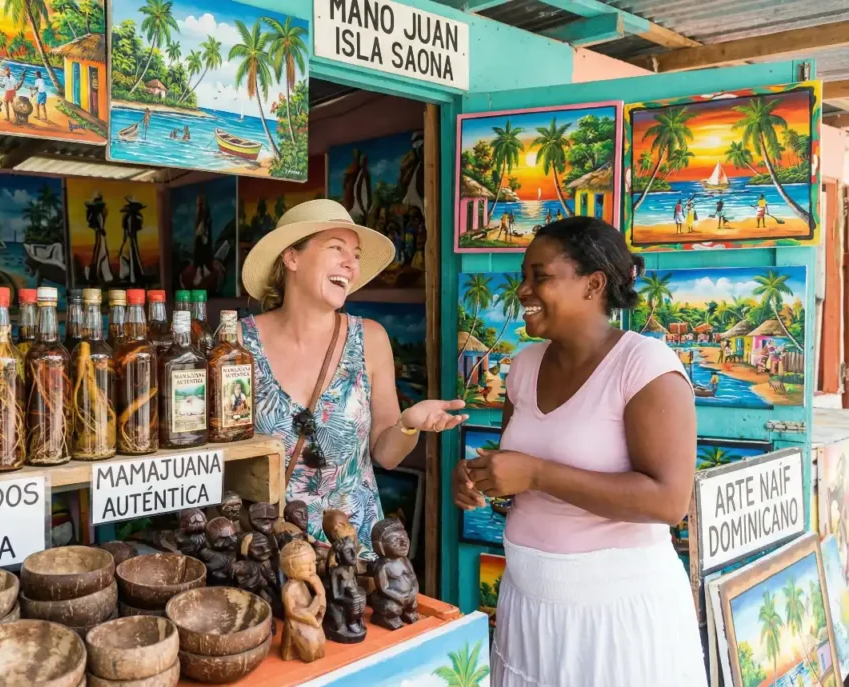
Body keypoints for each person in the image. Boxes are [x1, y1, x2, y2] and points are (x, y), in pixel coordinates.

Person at [453, 216, 706, 686]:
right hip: (528, 605)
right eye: (523, 277)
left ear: (593, 285)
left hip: (614, 618)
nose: (523, 290)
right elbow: (519, 476)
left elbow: (669, 502)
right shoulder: (524, 368)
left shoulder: (644, 366)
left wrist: (535, 474)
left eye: (540, 277)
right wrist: (480, 478)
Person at [240, 199, 466, 554]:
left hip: (350, 548)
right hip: (267, 548)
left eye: (356, 255)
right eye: (336, 248)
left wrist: (409, 424)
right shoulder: (238, 343)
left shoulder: (370, 339)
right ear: (292, 258)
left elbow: (387, 456)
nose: (351, 264)